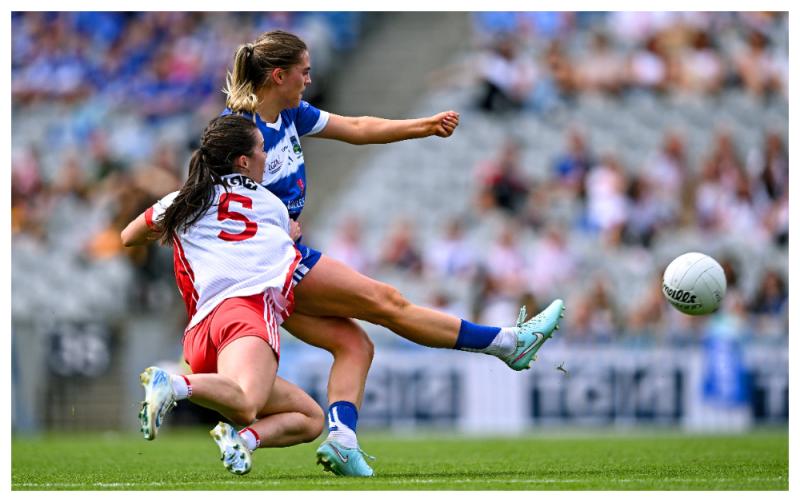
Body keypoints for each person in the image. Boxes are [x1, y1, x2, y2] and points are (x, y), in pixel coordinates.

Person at [220, 30, 565, 477]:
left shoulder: (290, 114)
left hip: (276, 264)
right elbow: (212, 201)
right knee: (388, 302)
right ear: (278, 76)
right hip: (271, 264)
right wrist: (272, 225)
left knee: (354, 345)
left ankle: (342, 441)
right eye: (303, 72)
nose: (310, 80)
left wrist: (423, 126)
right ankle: (509, 343)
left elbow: (357, 128)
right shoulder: (237, 132)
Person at [121, 115, 325, 476]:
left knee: (310, 418)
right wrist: (290, 237)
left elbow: (128, 237)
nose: (266, 155)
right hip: (244, 314)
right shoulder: (272, 205)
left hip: (201, 333)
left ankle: (241, 442)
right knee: (247, 404)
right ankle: (173, 383)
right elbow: (283, 258)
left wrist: (175, 229)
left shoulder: (184, 199)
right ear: (243, 161)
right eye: (261, 148)